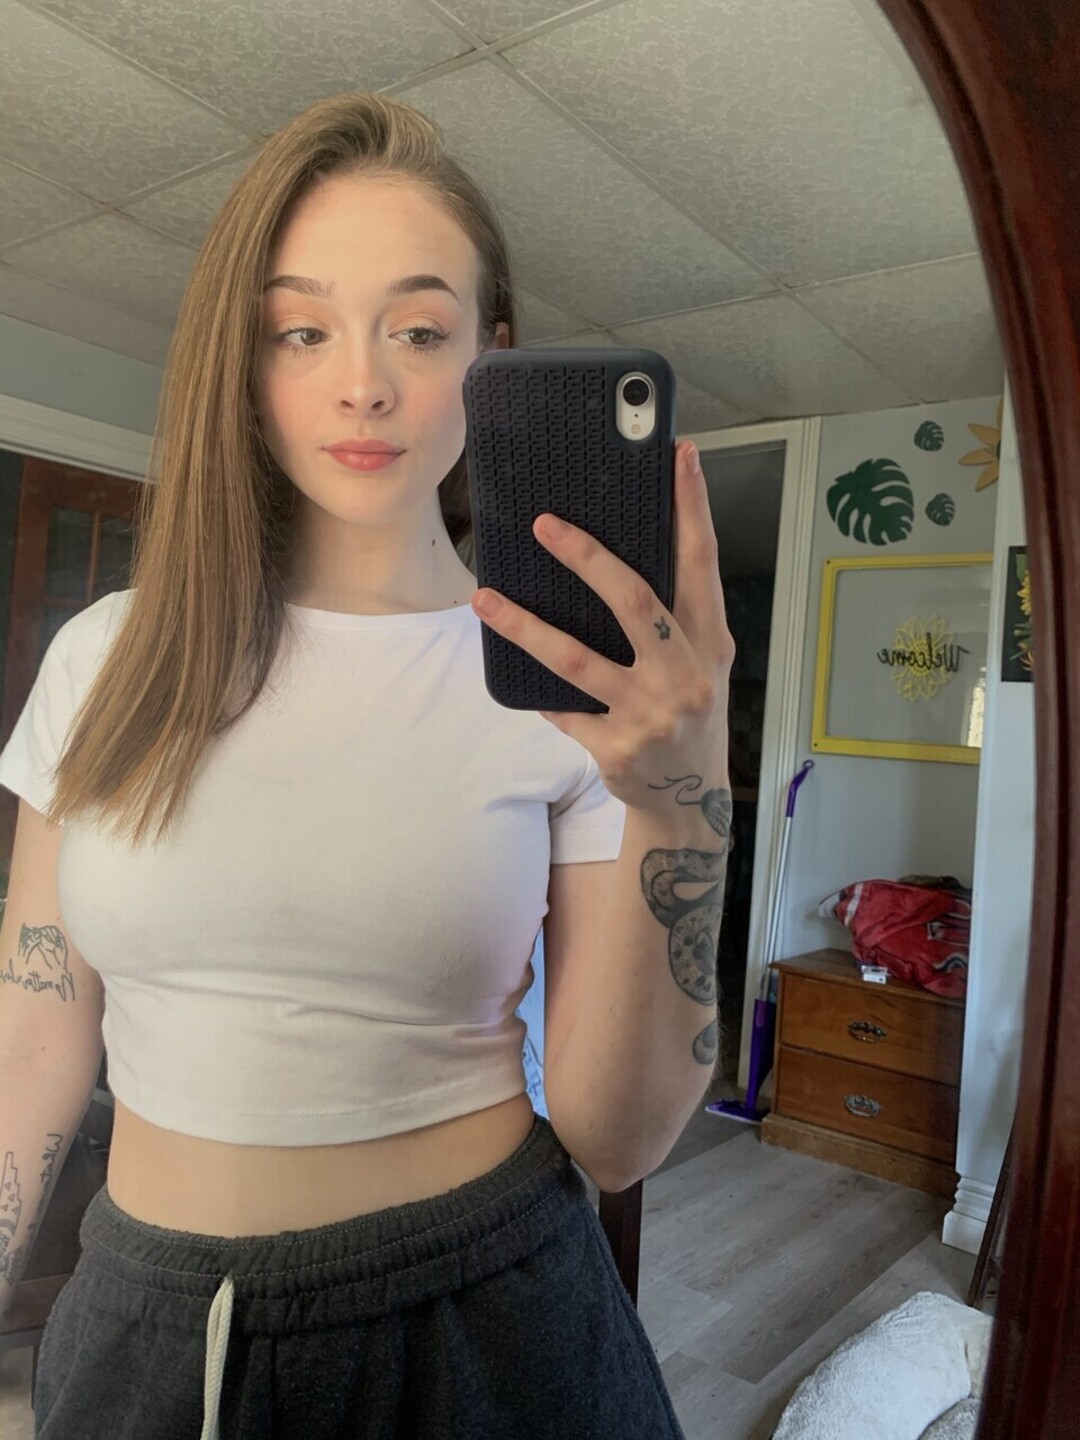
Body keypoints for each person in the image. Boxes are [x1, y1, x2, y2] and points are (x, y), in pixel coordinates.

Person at [0, 91, 732, 1439]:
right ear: (244, 358)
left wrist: (683, 794)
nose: (363, 384)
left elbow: (619, 1137)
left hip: (485, 1324)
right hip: (142, 1328)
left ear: (491, 360)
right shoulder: (103, 658)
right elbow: (35, 1033)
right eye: (302, 328)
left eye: (419, 329)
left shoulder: (574, 693)